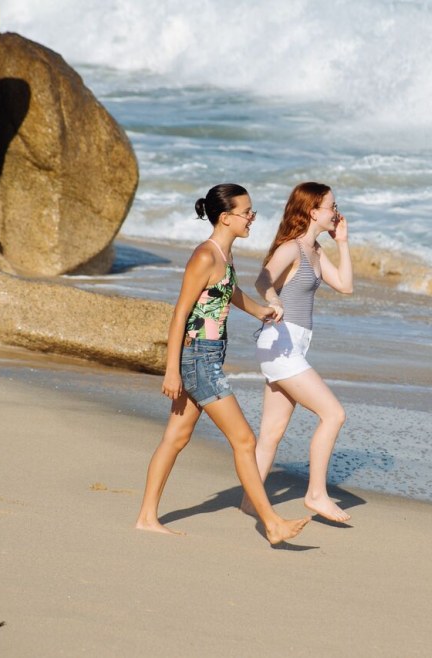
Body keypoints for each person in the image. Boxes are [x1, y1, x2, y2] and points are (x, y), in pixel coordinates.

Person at [135, 184, 310, 545]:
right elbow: (180, 314)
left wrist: (261, 311)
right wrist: (171, 370)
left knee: (175, 437)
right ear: (226, 217)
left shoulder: (224, 255)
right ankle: (272, 523)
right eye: (247, 212)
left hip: (208, 356)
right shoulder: (205, 256)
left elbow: (228, 292)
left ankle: (146, 517)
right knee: (244, 440)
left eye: (252, 211)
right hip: (199, 359)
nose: (252, 218)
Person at [248, 182, 353, 522]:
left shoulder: (316, 251)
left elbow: (346, 286)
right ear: (313, 211)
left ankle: (249, 502)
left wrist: (342, 242)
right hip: (281, 343)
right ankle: (316, 494)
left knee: (271, 433)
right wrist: (273, 299)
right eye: (331, 206)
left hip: (291, 345)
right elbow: (262, 280)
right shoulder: (291, 248)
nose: (336, 212)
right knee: (333, 414)